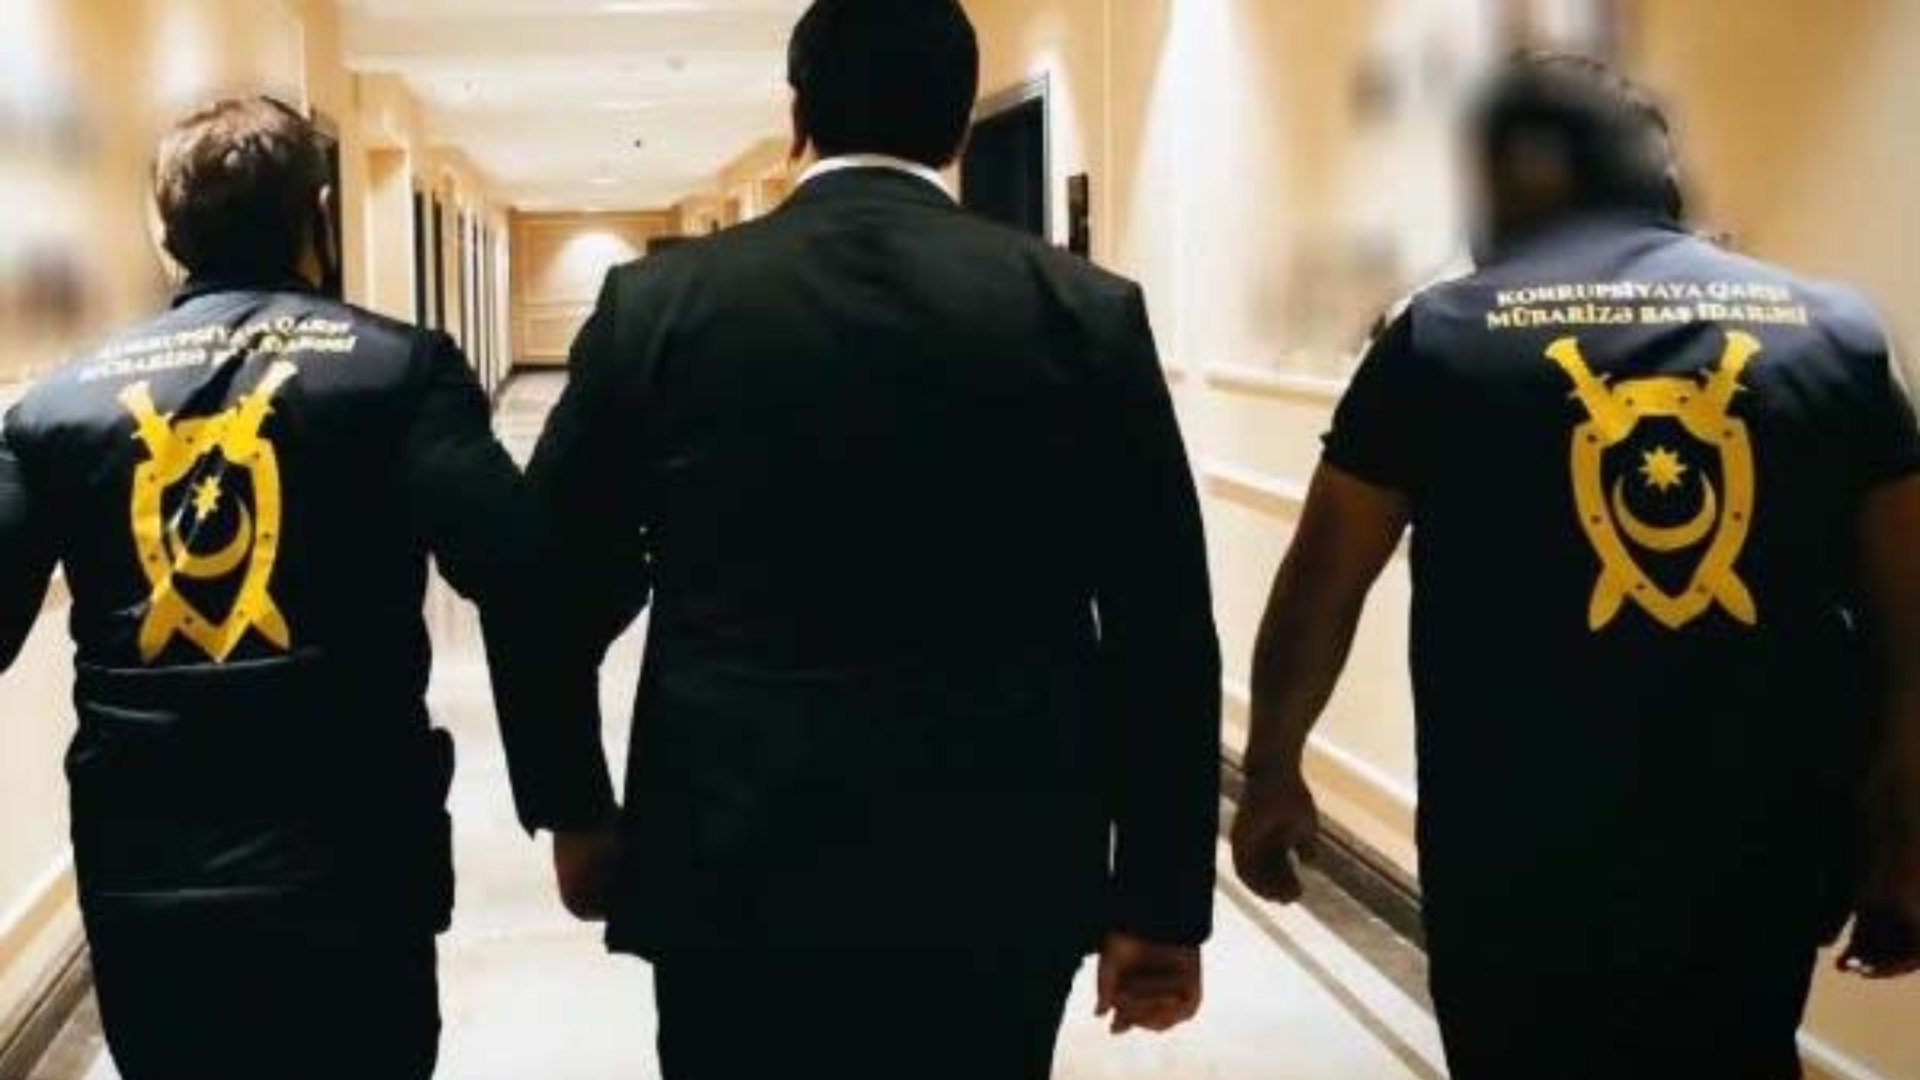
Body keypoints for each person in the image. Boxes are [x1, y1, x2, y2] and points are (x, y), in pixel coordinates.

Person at [485, 1, 1222, 1077]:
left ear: (797, 118)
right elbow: (1162, 624)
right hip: (996, 869)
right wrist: (1160, 900)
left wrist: (576, 810)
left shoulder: (660, 306)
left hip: (732, 858)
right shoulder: (1082, 312)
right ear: (958, 125)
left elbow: (539, 578)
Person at [1230, 52, 1920, 1080]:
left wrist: (1272, 769)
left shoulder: (1439, 338)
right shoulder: (1838, 335)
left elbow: (1322, 584)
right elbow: (1912, 621)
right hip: (1763, 849)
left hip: (1517, 858)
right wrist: (1905, 836)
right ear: (1664, 180)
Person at [0, 97, 547, 1080]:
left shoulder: (54, 409)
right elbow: (522, 568)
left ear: (163, 230)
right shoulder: (399, 370)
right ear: (318, 215)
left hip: (149, 869)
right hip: (353, 860)